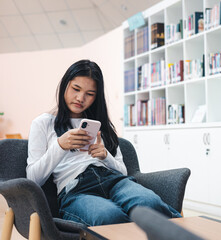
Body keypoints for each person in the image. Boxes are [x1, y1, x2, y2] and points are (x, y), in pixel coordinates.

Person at [26, 59, 182, 226]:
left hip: (114, 180)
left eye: (90, 94)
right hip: (76, 189)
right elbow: (33, 178)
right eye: (76, 89)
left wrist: (105, 156)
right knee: (109, 216)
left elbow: (123, 171)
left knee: (151, 204)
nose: (80, 98)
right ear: (65, 85)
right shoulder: (43, 123)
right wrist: (60, 146)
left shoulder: (100, 125)